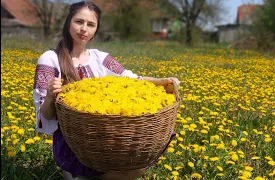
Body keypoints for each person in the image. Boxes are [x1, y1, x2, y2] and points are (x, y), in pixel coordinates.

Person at [32, 1, 180, 180]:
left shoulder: (100, 58)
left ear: (96, 30)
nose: (84, 29)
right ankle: (76, 173)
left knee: (137, 166)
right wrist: (49, 96)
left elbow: (132, 79)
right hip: (74, 144)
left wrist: (163, 82)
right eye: (79, 21)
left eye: (91, 24)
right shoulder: (50, 59)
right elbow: (45, 115)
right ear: (68, 22)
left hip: (108, 140)